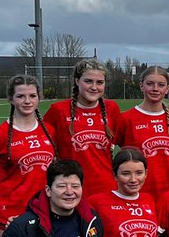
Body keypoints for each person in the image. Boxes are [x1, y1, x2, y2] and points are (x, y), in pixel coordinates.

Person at [0, 75, 55, 237]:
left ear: (39, 98)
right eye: (20, 96)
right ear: (11, 99)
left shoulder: (49, 131)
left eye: (32, 96)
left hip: (44, 211)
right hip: (8, 213)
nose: (27, 101)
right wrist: (2, 198)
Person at [45, 59, 122, 198]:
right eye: (88, 81)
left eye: (99, 82)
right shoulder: (58, 111)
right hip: (69, 190)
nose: (94, 87)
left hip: (105, 188)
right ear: (77, 81)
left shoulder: (112, 109)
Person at [113, 66, 169, 197]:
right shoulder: (126, 119)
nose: (155, 89)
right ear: (141, 86)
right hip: (137, 193)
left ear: (167, 89)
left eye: (161, 85)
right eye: (150, 84)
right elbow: (110, 153)